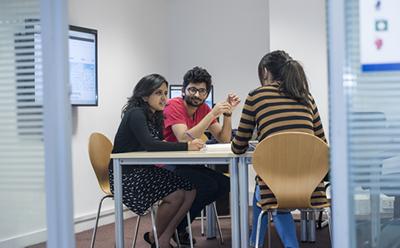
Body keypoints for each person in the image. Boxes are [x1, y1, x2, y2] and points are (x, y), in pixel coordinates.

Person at [231, 50, 328, 248]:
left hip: (277, 189)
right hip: (311, 186)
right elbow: (321, 143)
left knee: (265, 189)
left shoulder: (255, 96)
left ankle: (257, 242)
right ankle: (258, 241)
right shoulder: (306, 97)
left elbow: (239, 147)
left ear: (265, 71)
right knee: (266, 188)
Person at [109, 74, 204, 248]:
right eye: (158, 93)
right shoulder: (136, 113)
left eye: (165, 93)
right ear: (145, 96)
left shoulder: (155, 115)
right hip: (126, 174)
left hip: (143, 169)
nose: (163, 98)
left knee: (190, 190)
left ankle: (161, 238)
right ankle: (159, 238)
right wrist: (186, 147)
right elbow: (151, 144)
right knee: (176, 195)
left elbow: (160, 143)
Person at [163, 66, 241, 244]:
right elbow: (183, 137)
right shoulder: (173, 105)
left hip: (188, 164)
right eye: (192, 89)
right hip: (167, 163)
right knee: (206, 185)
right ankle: (176, 228)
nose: (197, 95)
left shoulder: (204, 109)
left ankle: (178, 226)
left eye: (202, 91)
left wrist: (227, 114)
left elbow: (224, 139)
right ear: (184, 90)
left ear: (207, 93)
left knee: (223, 184)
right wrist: (213, 113)